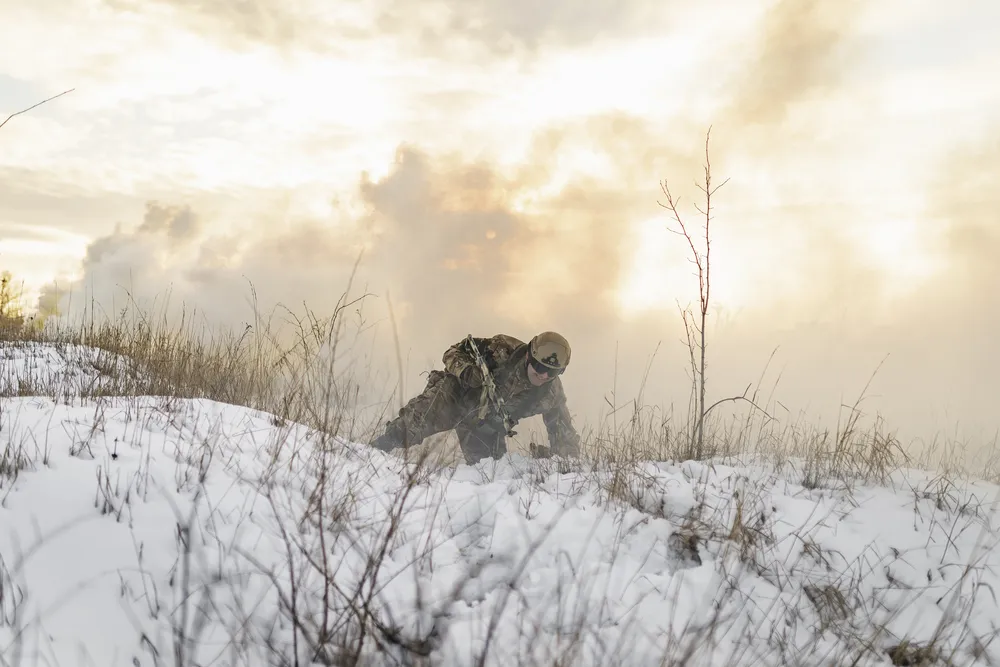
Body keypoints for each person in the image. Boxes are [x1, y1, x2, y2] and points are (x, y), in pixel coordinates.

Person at [370, 331, 581, 464]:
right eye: (539, 366)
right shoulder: (502, 349)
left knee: (490, 473)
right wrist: (467, 371)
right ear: (529, 356)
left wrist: (561, 461)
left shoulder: (551, 393)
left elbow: (564, 435)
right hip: (455, 396)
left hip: (486, 426)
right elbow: (452, 353)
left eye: (552, 372)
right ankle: (370, 455)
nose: (543, 375)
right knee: (410, 428)